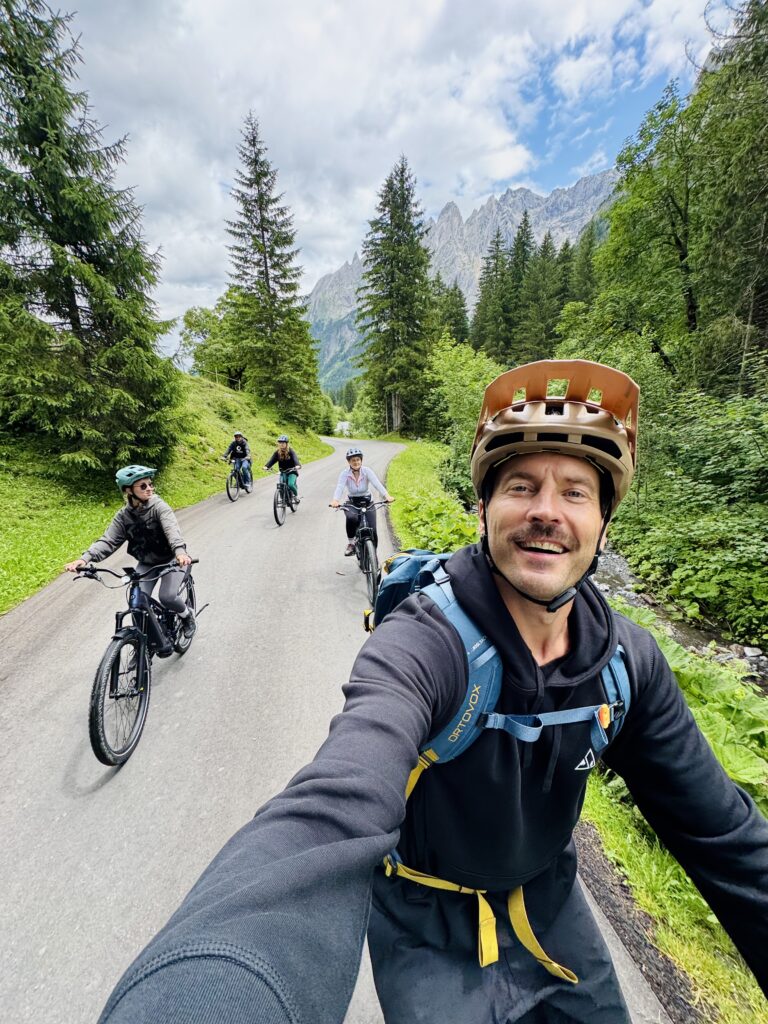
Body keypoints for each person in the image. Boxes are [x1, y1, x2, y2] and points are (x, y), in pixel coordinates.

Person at [98, 361, 768, 1024]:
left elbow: (728, 839)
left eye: (575, 493)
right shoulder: (425, 644)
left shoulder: (628, 663)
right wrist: (214, 985)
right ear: (483, 507)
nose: (545, 511)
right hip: (426, 928)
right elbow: (331, 810)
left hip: (553, 908)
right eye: (521, 486)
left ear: (603, 521)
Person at [65, 465, 196, 638]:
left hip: (172, 559)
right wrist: (84, 559)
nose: (149, 488)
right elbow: (108, 540)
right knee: (136, 603)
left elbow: (172, 531)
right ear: (128, 490)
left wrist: (180, 552)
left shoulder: (159, 507)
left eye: (150, 484)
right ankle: (143, 647)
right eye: (143, 486)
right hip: (147, 562)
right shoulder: (123, 517)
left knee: (168, 596)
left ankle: (187, 617)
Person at [330, 446, 394, 555]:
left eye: (358, 460)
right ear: (349, 462)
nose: (356, 462)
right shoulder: (345, 473)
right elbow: (340, 487)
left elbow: (377, 483)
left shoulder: (367, 471)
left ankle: (373, 557)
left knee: (373, 530)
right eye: (353, 460)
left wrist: (387, 496)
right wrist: (335, 500)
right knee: (351, 518)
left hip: (367, 501)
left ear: (361, 460)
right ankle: (351, 544)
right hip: (352, 502)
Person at [263, 434, 301, 501]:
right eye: (280, 443)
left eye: (283, 443)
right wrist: (266, 466)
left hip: (292, 471)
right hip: (283, 471)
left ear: (286, 443)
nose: (281, 444)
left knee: (291, 484)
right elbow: (272, 460)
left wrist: (297, 465)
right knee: (281, 485)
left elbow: (295, 459)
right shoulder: (277, 453)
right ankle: (283, 498)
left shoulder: (290, 451)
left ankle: (296, 496)